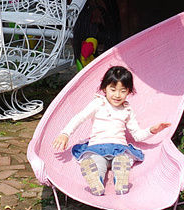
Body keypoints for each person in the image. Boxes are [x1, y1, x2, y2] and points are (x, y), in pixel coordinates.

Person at [52, 66, 171, 196]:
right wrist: (65, 134)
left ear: (129, 92)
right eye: (113, 89)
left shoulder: (127, 109)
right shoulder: (98, 103)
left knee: (123, 159)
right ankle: (96, 180)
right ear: (104, 88)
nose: (117, 95)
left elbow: (137, 135)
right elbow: (79, 118)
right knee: (96, 161)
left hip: (119, 147)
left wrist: (153, 130)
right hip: (97, 147)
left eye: (123, 91)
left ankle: (120, 178)